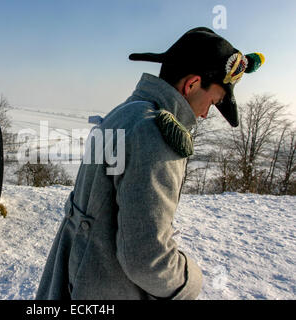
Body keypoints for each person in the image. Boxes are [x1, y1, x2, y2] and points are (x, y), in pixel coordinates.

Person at [36, 27, 264, 300]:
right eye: (212, 101)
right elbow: (147, 258)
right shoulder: (156, 133)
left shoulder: (127, 112)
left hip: (80, 278)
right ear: (191, 84)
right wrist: (192, 282)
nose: (205, 114)